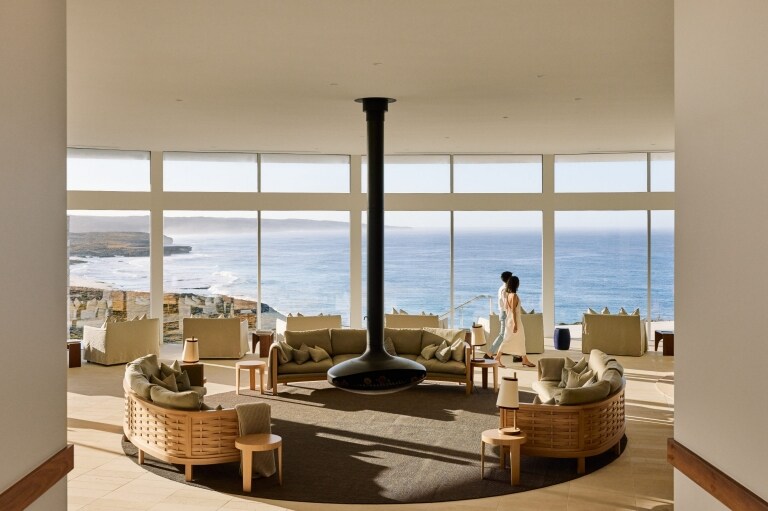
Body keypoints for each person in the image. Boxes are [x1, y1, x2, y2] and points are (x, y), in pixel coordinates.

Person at [495, 275, 535, 368]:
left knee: (520, 340)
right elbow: (513, 310)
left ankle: (525, 359)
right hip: (514, 321)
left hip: (510, 320)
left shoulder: (508, 295)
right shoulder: (514, 296)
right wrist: (515, 324)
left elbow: (507, 309)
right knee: (507, 340)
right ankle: (497, 358)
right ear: (516, 284)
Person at [486, 271, 512, 359]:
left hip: (503, 312)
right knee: (502, 334)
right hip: (505, 313)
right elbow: (505, 304)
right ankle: (489, 353)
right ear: (508, 279)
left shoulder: (502, 288)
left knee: (510, 334)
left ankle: (516, 354)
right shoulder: (505, 289)